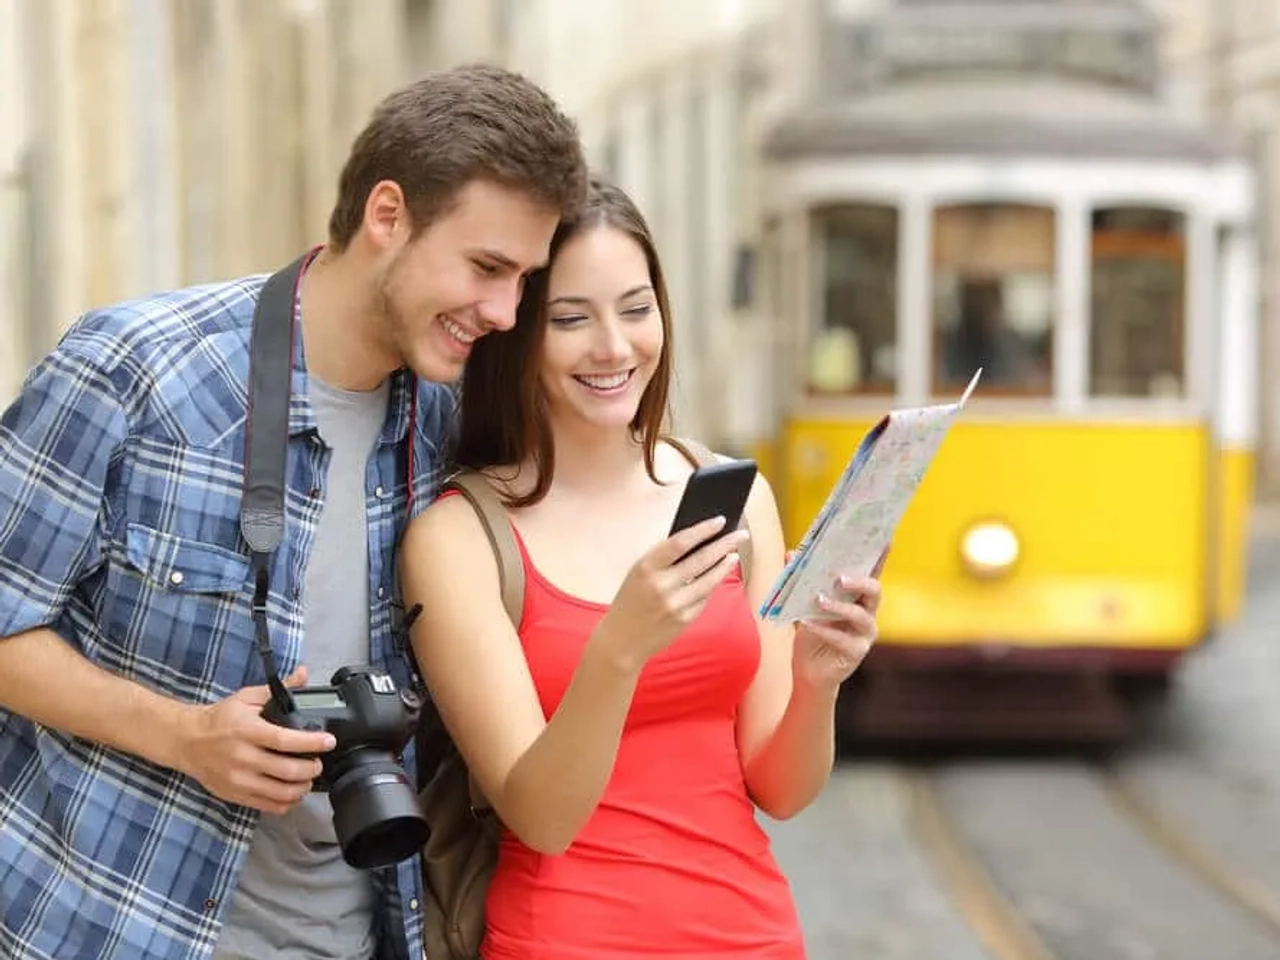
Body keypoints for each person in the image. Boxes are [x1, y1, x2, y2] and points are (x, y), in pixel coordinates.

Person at [0, 64, 588, 960]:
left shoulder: (450, 425)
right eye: (486, 267)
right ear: (386, 216)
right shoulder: (136, 370)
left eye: (524, 279)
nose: (506, 312)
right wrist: (187, 736)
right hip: (105, 927)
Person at [398, 179, 883, 959]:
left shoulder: (737, 499)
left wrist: (819, 680)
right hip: (565, 939)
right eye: (570, 319)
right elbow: (541, 816)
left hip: (752, 935)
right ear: (515, 332)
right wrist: (620, 647)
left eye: (636, 308)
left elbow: (781, 791)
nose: (615, 348)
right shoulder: (459, 539)